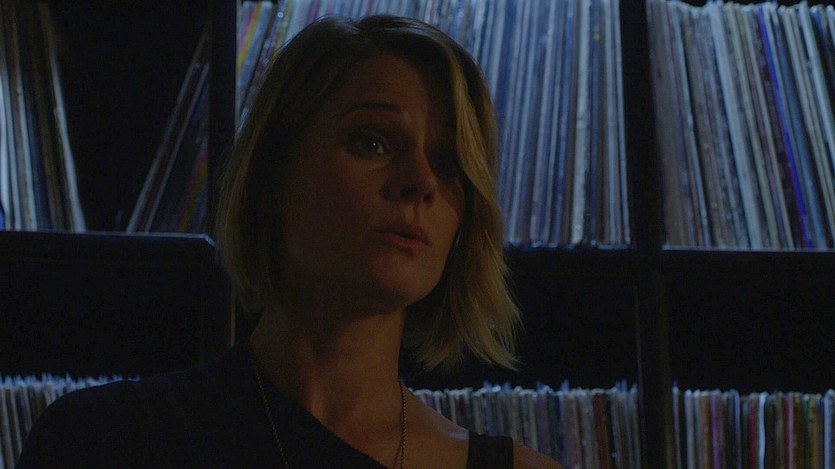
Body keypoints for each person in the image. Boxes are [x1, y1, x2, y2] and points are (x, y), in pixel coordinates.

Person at [18, 15, 560, 468]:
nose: (421, 181)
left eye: (448, 163)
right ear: (273, 176)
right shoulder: (103, 442)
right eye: (371, 141)